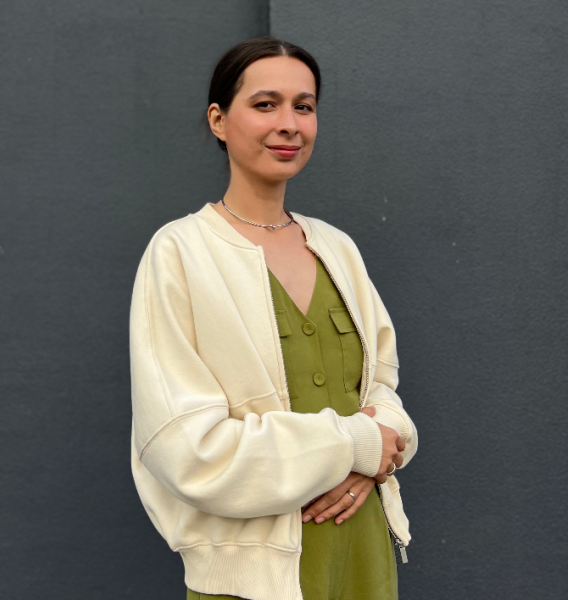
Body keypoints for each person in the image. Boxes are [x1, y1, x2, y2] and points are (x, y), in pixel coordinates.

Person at [129, 36, 418, 600]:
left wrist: (375, 454)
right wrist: (354, 446)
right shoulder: (180, 252)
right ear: (218, 120)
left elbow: (384, 394)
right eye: (265, 104)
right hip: (251, 579)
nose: (289, 124)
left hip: (363, 555)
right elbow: (186, 449)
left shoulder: (337, 248)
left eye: (303, 106)